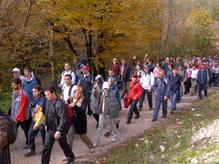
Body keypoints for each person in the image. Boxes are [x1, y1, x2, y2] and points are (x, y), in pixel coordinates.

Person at [42, 85, 75, 164]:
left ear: (54, 93)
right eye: (45, 95)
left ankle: (71, 158)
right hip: (50, 129)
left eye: (48, 94)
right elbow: (46, 114)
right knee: (46, 147)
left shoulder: (60, 104)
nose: (46, 96)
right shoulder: (47, 101)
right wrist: (46, 124)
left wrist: (59, 131)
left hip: (59, 129)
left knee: (64, 145)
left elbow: (63, 118)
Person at [68, 86, 94, 152]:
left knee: (83, 136)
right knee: (70, 136)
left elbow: (82, 110)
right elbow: (66, 105)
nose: (77, 94)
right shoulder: (70, 99)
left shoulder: (84, 100)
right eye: (75, 92)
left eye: (78, 93)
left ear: (81, 93)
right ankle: (68, 153)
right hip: (72, 121)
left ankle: (91, 146)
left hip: (81, 121)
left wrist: (75, 106)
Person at [25, 85, 46, 157]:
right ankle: (31, 149)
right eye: (33, 91)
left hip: (41, 120)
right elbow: (30, 107)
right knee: (30, 134)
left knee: (43, 135)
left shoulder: (42, 99)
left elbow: (41, 113)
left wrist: (37, 124)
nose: (33, 93)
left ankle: (45, 149)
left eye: (35, 91)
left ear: (40, 91)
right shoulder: (35, 98)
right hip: (35, 118)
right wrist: (33, 108)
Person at [10, 78, 30, 149]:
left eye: (14, 85)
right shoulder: (13, 92)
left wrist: (17, 118)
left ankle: (29, 143)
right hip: (14, 116)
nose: (12, 86)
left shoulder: (23, 94)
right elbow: (12, 105)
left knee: (26, 130)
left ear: (18, 84)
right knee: (12, 129)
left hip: (22, 117)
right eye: (12, 85)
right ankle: (8, 143)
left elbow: (22, 108)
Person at [93, 81, 109, 146]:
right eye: (104, 89)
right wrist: (95, 88)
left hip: (109, 112)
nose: (105, 90)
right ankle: (96, 142)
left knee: (112, 124)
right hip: (102, 112)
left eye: (106, 89)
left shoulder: (111, 94)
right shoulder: (101, 94)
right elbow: (95, 94)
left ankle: (115, 135)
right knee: (100, 126)